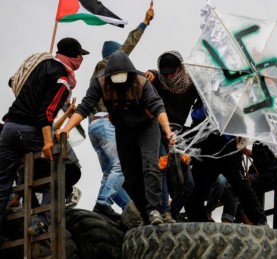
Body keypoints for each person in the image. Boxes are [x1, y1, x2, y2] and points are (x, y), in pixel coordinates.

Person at [56, 52, 175, 225]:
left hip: (146, 127)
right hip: (124, 129)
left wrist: (167, 130)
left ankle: (155, 210)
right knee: (130, 175)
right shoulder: (101, 83)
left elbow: (158, 107)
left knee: (150, 166)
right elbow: (85, 107)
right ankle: (145, 213)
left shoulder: (141, 81)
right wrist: (66, 129)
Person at [0, 37, 89, 240]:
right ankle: (41, 222)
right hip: (30, 131)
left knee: (3, 183)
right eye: (80, 55)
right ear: (74, 56)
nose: (81, 60)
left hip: (9, 128)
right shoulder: (63, 79)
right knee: (56, 177)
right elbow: (47, 114)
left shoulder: (40, 66)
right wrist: (48, 141)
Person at [88, 5, 154, 220]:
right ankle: (103, 202)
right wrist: (145, 23)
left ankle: (120, 208)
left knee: (109, 173)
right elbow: (129, 43)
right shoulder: (110, 65)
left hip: (92, 125)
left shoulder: (95, 75)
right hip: (105, 122)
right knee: (120, 166)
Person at [184, 99, 267, 225]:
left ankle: (260, 221)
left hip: (228, 149)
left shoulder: (236, 97)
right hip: (208, 150)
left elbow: (244, 123)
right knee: (196, 191)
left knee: (240, 186)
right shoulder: (203, 96)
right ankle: (199, 222)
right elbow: (196, 118)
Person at [145, 51, 199, 222]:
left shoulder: (191, 86)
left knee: (188, 183)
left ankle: (174, 212)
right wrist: (152, 73)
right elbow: (145, 82)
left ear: (180, 68)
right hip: (159, 132)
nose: (168, 76)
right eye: (165, 73)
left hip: (179, 136)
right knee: (161, 169)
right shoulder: (158, 81)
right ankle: (165, 211)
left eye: (172, 72)